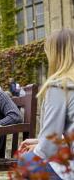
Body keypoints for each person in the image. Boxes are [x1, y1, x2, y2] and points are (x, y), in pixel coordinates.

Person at [18, 29, 74, 179]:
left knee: (26, 160)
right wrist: (39, 141)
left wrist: (39, 147)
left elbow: (48, 147)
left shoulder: (60, 86)